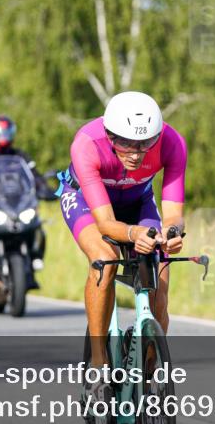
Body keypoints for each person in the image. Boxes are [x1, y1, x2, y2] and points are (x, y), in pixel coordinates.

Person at [58, 91, 186, 398]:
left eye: (146, 143)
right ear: (109, 134)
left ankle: (152, 374)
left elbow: (173, 214)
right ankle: (99, 362)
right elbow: (105, 224)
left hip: (137, 200)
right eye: (125, 142)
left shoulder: (173, 142)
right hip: (87, 202)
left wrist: (172, 234)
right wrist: (132, 236)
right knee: (104, 259)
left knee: (160, 277)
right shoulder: (87, 144)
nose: (136, 152)